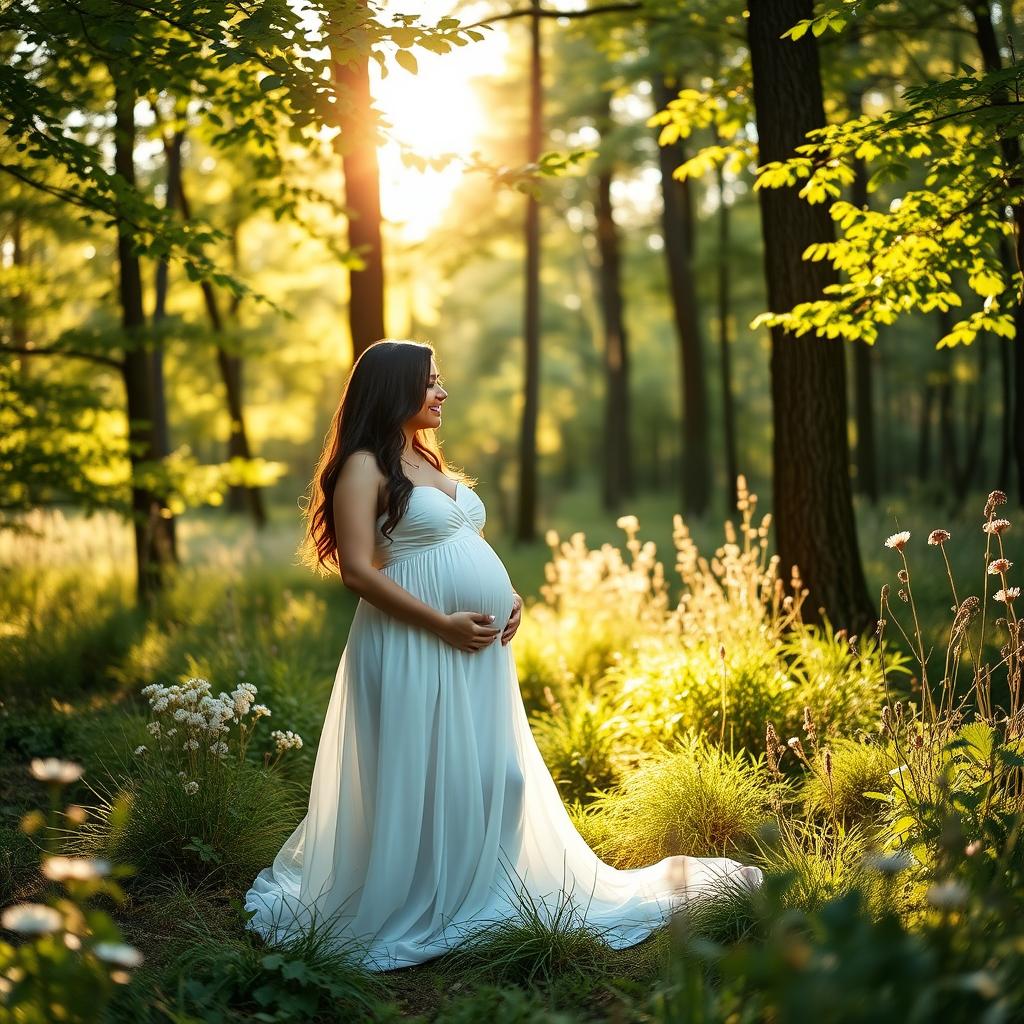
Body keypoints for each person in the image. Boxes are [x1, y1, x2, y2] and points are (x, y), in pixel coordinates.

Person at [243, 339, 763, 971]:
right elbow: (356, 568)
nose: (441, 391)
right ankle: (430, 900)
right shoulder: (363, 465)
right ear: (394, 389)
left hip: (474, 646)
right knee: (426, 773)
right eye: (429, 382)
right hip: (414, 641)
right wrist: (441, 623)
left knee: (500, 774)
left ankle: (482, 889)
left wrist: (508, 593)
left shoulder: (426, 460)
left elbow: (459, 539)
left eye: (440, 380)